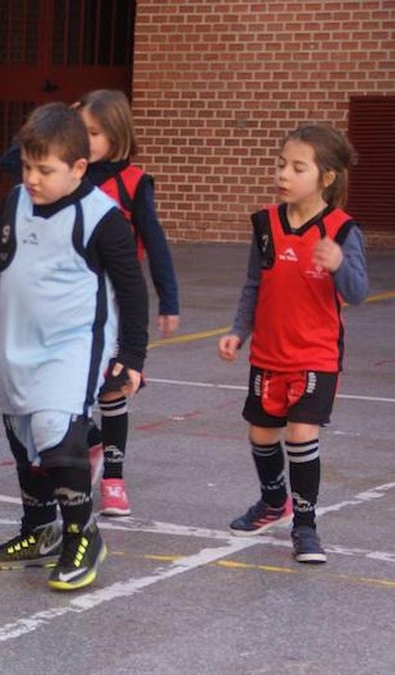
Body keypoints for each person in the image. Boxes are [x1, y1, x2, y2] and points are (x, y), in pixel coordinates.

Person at [0, 103, 148, 591]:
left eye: (45, 169)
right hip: (19, 344)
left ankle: (82, 533)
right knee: (22, 435)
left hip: (72, 346)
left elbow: (133, 290)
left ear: (78, 168)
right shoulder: (15, 201)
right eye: (28, 166)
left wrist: (132, 357)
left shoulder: (103, 218)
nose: (32, 177)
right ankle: (39, 530)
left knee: (56, 429)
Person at [218, 124, 368, 564]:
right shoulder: (265, 223)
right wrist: (237, 331)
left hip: (316, 356)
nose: (284, 173)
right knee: (261, 433)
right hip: (269, 353)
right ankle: (272, 501)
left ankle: (305, 525)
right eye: (281, 163)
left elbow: (358, 292)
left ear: (326, 178)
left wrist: (339, 264)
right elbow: (253, 283)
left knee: (301, 434)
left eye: (297, 167)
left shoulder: (341, 230)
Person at [73, 89, 181, 517]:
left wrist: (168, 299)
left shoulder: (135, 183)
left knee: (114, 388)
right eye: (78, 131)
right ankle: (91, 443)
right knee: (74, 388)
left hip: (117, 298)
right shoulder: (68, 174)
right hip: (76, 296)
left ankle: (114, 479)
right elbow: (12, 163)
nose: (84, 139)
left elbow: (155, 244)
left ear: (117, 134)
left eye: (93, 132)